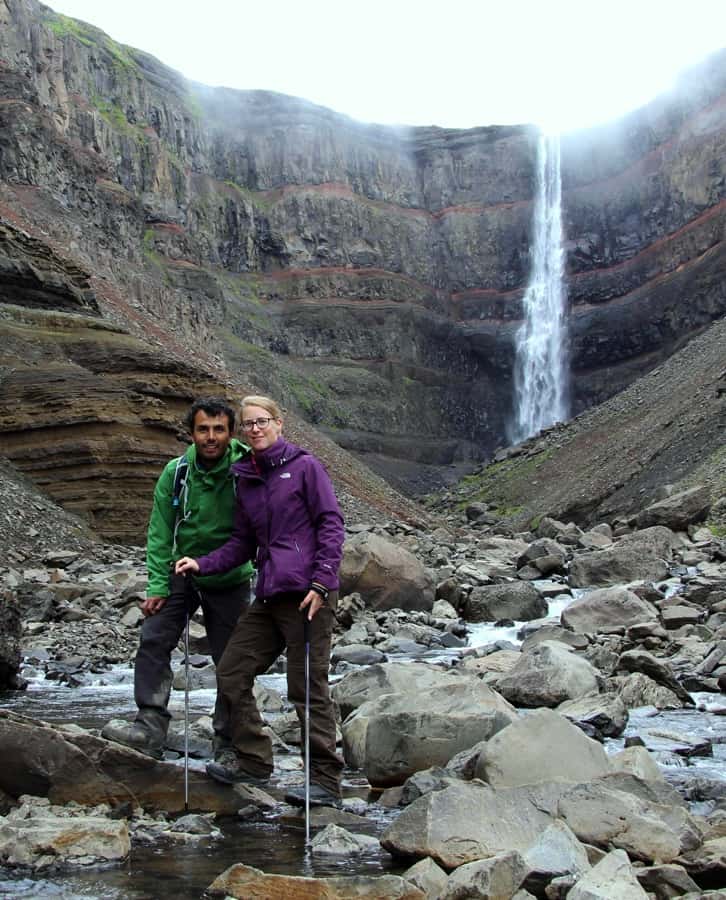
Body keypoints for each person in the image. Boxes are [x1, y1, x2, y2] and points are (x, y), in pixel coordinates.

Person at [175, 395, 345, 807]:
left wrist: (322, 583)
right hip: (270, 594)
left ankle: (326, 781)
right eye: (248, 424)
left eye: (262, 421)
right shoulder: (246, 477)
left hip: (308, 596)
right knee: (231, 670)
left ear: (279, 423)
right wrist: (202, 563)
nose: (255, 429)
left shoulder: (305, 467)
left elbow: (331, 523)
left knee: (307, 687)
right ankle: (253, 759)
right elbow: (242, 542)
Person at [102, 398, 254, 759]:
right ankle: (149, 726)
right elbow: (159, 533)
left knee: (231, 660)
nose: (211, 437)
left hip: (230, 575)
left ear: (231, 433)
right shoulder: (177, 473)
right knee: (154, 639)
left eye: (219, 429)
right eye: (203, 429)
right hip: (182, 571)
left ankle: (227, 742)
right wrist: (157, 585)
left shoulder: (249, 470)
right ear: (191, 433)